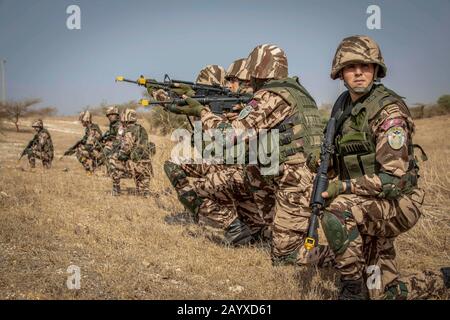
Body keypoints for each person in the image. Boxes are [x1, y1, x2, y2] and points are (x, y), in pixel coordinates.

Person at [318, 35, 450, 299]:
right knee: (384, 294)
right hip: (368, 202)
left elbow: (393, 181)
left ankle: (352, 288)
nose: (358, 73)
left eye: (365, 66)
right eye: (351, 67)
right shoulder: (343, 106)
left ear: (376, 69)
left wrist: (341, 186)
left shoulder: (389, 112)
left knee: (338, 210)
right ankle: (442, 278)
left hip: (398, 203)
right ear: (340, 72)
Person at [109, 109, 154, 197]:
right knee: (143, 192)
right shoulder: (141, 128)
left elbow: (126, 149)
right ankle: (144, 191)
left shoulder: (129, 130)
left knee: (112, 159)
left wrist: (119, 155)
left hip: (136, 165)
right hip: (147, 166)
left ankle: (116, 188)